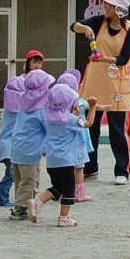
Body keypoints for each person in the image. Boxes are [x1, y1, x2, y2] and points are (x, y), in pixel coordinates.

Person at [70, 0, 130, 185]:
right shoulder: (99, 22)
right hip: (94, 81)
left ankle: (122, 171)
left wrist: (103, 59)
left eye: (108, 3)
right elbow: (73, 26)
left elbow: (124, 58)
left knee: (118, 129)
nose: (104, 5)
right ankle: (90, 168)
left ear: (118, 8)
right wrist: (83, 28)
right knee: (90, 126)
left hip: (117, 84)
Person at [28, 84, 98, 227]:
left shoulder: (48, 117)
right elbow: (88, 124)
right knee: (68, 190)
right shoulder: (71, 120)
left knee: (58, 187)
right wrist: (93, 107)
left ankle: (38, 202)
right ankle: (63, 217)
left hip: (52, 161)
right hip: (66, 161)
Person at [10, 69, 55, 220]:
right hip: (30, 151)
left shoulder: (24, 103)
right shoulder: (41, 110)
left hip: (16, 148)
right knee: (29, 181)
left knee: (19, 180)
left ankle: (18, 204)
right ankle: (20, 209)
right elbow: (50, 129)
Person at [56, 69, 98, 203]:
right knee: (79, 168)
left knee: (64, 170)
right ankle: (79, 194)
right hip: (77, 144)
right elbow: (88, 123)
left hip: (62, 148)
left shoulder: (54, 112)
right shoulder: (75, 115)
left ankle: (62, 191)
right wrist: (93, 107)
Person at [0, 76, 26, 207]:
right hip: (12, 147)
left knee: (11, 173)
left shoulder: (8, 110)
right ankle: (1, 198)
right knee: (11, 175)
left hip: (4, 145)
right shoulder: (20, 112)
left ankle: (3, 198)